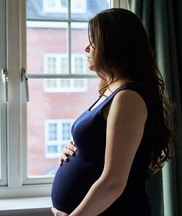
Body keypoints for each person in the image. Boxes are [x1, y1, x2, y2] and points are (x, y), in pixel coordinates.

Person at [51, 8, 175, 216]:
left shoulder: (128, 98)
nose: (86, 48)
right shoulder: (112, 90)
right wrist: (75, 149)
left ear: (113, 46)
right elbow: (99, 147)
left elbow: (114, 182)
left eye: (93, 42)